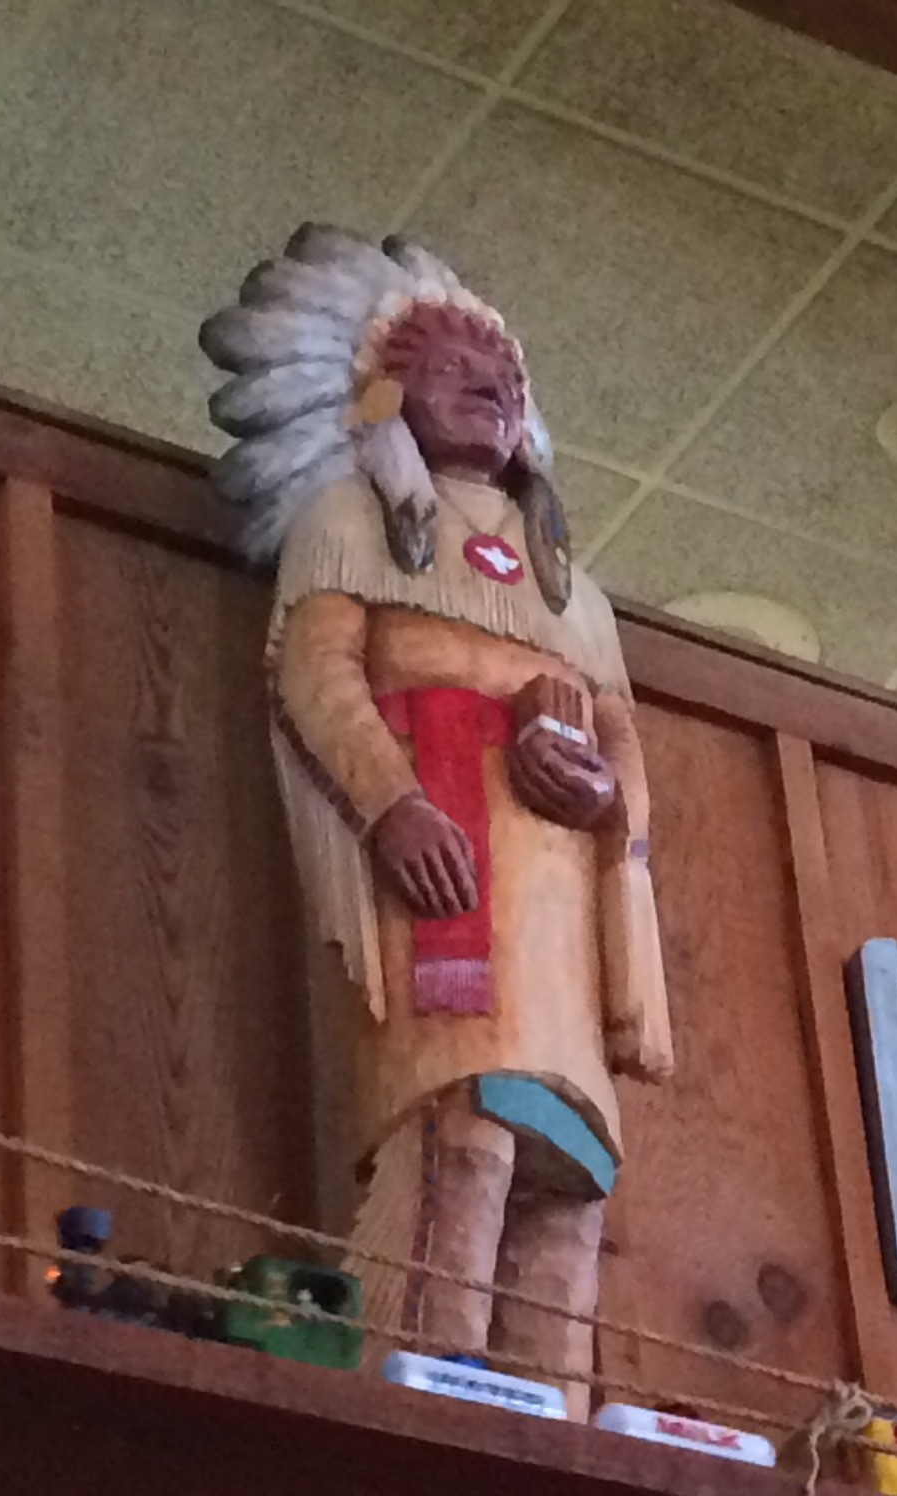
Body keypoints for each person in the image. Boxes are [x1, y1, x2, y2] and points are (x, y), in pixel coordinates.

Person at [203, 226, 673, 1414]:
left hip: (555, 905)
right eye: (463, 372)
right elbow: (316, 672)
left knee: (572, 1173)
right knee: (465, 1131)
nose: (497, 392)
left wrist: (608, 797)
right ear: (384, 389)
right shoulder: (351, 520)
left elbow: (621, 730)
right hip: (448, 857)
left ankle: (552, 1422)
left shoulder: (575, 593)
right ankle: (424, 1398)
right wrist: (392, 802)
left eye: (509, 380)